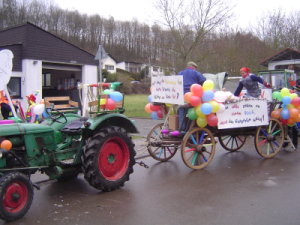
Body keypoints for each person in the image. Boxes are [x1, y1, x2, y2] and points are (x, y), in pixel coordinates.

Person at [178, 61, 206, 131]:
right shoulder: (196, 73)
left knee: (181, 109)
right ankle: (190, 129)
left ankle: (181, 128)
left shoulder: (180, 73)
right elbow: (204, 81)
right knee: (192, 111)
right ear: (194, 67)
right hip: (192, 96)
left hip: (181, 96)